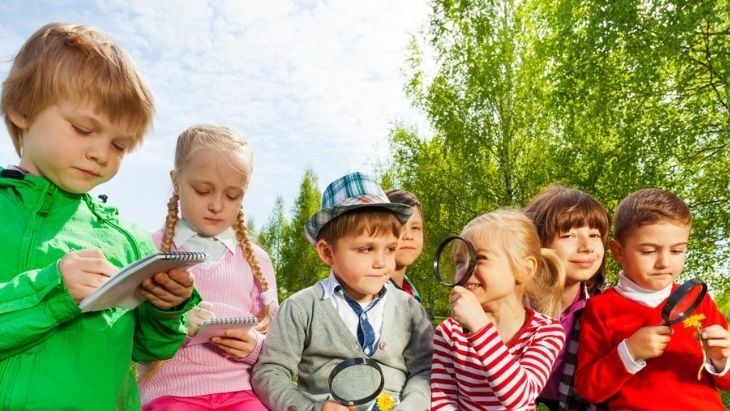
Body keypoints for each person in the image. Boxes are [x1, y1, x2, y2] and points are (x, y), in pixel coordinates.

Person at [0, 22, 198, 410]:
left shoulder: (128, 240)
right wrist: (52, 292)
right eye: (82, 128)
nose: (101, 153)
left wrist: (166, 309)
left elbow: (146, 350)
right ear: (22, 111)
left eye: (119, 145)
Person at [253, 171, 433, 411]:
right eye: (367, 249)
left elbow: (425, 371)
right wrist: (311, 408)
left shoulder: (410, 310)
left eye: (390, 249)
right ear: (328, 253)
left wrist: (410, 407)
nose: (381, 262)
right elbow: (270, 372)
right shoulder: (301, 307)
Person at [137, 125, 279, 410]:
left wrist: (253, 347)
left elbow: (278, 345)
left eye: (232, 196)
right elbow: (130, 333)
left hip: (241, 393)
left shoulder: (257, 260)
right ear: (176, 182)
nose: (216, 205)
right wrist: (177, 324)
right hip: (171, 394)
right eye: (202, 191)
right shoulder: (147, 249)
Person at [574, 188, 730, 410]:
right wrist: (629, 352)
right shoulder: (600, 308)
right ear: (618, 252)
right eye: (648, 251)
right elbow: (589, 390)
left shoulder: (698, 300)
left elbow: (727, 382)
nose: (664, 263)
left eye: (676, 251)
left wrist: (721, 359)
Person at [431, 209, 567, 411]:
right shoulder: (449, 332)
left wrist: (479, 327)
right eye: (460, 261)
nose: (465, 269)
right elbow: (442, 398)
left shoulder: (546, 332)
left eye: (481, 258)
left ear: (524, 269)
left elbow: (519, 397)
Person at [524, 185, 610, 411]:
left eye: (594, 235)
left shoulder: (603, 308)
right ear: (538, 244)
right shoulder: (513, 304)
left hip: (574, 399)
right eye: (568, 235)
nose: (587, 246)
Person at [385, 189, 424, 301]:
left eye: (415, 228)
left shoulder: (411, 293)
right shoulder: (370, 294)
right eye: (399, 227)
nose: (408, 236)